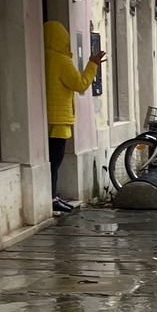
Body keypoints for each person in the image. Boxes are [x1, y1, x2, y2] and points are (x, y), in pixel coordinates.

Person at [44, 20, 101, 212]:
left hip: (43, 118)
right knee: (56, 158)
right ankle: (51, 198)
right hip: (59, 119)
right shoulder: (62, 60)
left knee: (48, 159)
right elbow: (80, 84)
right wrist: (92, 65)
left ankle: (49, 195)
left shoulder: (39, 57)